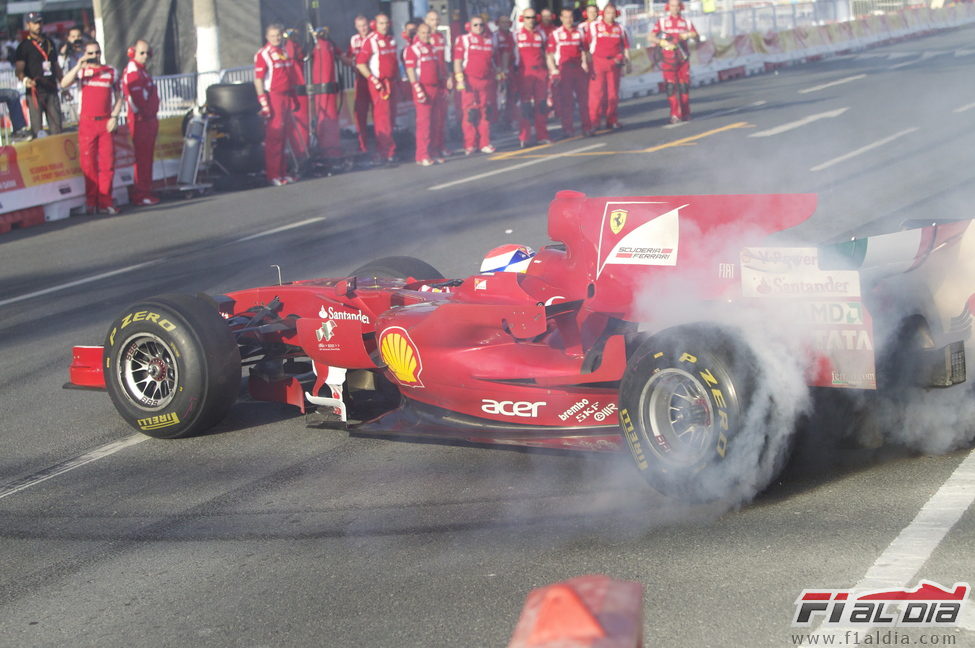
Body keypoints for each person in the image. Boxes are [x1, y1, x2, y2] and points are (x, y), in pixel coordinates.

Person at [61, 40, 123, 215]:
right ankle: (91, 201)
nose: (94, 56)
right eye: (90, 53)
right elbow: (64, 83)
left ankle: (105, 202)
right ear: (85, 54)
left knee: (107, 164)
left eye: (97, 52)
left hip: (105, 122)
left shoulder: (111, 71)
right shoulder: (82, 72)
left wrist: (114, 116)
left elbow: (120, 95)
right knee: (88, 165)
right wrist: (79, 65)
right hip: (87, 123)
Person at [254, 23, 300, 186]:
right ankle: (272, 174)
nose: (276, 38)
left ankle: (283, 172)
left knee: (285, 136)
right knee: (275, 137)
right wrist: (264, 102)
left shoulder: (284, 51)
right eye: (273, 36)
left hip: (287, 96)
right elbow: (258, 79)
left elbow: (290, 76)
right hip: (274, 97)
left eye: (278, 35)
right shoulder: (263, 54)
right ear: (267, 37)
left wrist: (294, 97)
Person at [356, 14, 399, 163]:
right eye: (381, 23)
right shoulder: (371, 40)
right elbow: (360, 63)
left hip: (391, 82)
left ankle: (389, 150)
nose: (384, 26)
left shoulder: (392, 39)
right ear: (375, 24)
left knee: (391, 117)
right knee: (383, 119)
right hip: (379, 84)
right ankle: (386, 152)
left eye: (386, 23)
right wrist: (373, 80)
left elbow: (394, 62)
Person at [122, 40, 160, 206]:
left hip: (148, 119)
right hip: (140, 120)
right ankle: (141, 193)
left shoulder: (142, 71)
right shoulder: (133, 71)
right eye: (141, 53)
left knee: (147, 157)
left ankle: (145, 190)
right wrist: (146, 114)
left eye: (147, 53)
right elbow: (136, 99)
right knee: (142, 158)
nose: (145, 56)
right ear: (133, 53)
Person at [14, 12, 63, 137]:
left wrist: (63, 84)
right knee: (37, 129)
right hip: (35, 92)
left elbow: (55, 65)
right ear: (28, 25)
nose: (38, 26)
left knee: (56, 127)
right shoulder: (24, 46)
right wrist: (26, 80)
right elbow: (19, 70)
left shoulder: (49, 42)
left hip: (51, 88)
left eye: (40, 22)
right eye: (35, 23)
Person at [454, 17, 497, 155]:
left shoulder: (490, 40)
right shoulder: (464, 39)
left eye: (481, 25)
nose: (478, 27)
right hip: (469, 81)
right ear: (469, 26)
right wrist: (459, 78)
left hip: (485, 81)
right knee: (470, 113)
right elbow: (457, 61)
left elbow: (494, 61)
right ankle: (470, 144)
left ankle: (484, 142)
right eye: (475, 25)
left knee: (485, 112)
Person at [405, 23, 447, 166]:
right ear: (418, 33)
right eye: (423, 33)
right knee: (424, 124)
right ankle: (422, 154)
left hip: (435, 89)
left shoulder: (434, 49)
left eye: (428, 33)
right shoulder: (413, 50)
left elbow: (438, 70)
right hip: (423, 89)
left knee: (436, 122)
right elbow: (410, 70)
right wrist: (416, 88)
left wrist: (443, 85)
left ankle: (434, 151)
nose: (426, 36)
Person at [650, 0, 698, 124]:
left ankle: (686, 112)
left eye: (677, 6)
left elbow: (696, 36)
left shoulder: (686, 22)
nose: (675, 8)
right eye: (672, 6)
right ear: (668, 7)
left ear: (680, 7)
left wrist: (688, 35)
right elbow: (650, 36)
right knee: (671, 87)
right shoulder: (662, 22)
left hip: (683, 59)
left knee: (683, 87)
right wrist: (661, 42)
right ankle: (674, 114)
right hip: (668, 60)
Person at [586, 3, 630, 131]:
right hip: (598, 62)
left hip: (614, 63)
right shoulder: (594, 26)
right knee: (596, 94)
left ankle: (612, 119)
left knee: (613, 94)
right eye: (608, 13)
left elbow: (626, 47)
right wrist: (587, 62)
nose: (610, 16)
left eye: (612, 13)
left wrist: (627, 63)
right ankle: (594, 122)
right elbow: (587, 46)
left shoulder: (620, 28)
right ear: (603, 14)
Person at [547, 8, 590, 138]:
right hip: (564, 70)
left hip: (578, 69)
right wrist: (553, 70)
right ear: (561, 18)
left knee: (584, 100)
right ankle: (568, 128)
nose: (568, 20)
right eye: (565, 17)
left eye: (570, 17)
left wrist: (586, 64)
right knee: (567, 101)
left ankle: (587, 127)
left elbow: (585, 50)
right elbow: (549, 54)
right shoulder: (556, 34)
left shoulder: (580, 32)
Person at [514, 8, 550, 147]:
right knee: (525, 106)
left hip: (540, 73)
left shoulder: (541, 34)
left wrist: (550, 69)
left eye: (533, 17)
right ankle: (524, 137)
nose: (531, 20)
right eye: (528, 17)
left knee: (541, 105)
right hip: (524, 74)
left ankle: (542, 135)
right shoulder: (516, 35)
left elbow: (547, 53)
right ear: (523, 18)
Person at [310, 26, 343, 160]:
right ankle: (326, 150)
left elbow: (341, 54)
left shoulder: (329, 45)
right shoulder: (318, 47)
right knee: (324, 119)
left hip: (330, 88)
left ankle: (332, 149)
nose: (324, 34)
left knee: (331, 120)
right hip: (322, 90)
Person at [423, 9, 452, 159]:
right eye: (432, 20)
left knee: (442, 116)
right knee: (430, 119)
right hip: (430, 82)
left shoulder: (441, 37)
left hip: (441, 80)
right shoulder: (424, 38)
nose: (435, 23)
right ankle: (431, 149)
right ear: (426, 21)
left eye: (436, 20)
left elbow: (446, 59)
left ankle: (441, 145)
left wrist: (448, 77)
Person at [342, 16, 372, 154]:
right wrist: (344, 59)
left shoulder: (374, 37)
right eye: (360, 26)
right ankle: (363, 146)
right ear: (356, 27)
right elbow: (349, 58)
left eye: (365, 25)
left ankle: (381, 146)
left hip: (374, 79)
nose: (363, 28)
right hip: (360, 80)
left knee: (380, 114)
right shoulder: (354, 39)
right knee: (360, 114)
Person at [282, 29, 309, 161]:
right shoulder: (288, 49)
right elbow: (292, 55)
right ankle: (299, 153)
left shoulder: (293, 48)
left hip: (298, 88)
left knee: (302, 123)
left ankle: (303, 151)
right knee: (296, 124)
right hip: (294, 88)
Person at [492, 15, 517, 131]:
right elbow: (493, 54)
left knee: (512, 96)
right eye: (502, 22)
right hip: (500, 71)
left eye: (507, 22)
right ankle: (497, 121)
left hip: (512, 69)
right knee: (499, 97)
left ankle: (510, 120)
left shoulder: (514, 35)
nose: (505, 24)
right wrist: (499, 69)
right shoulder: (495, 36)